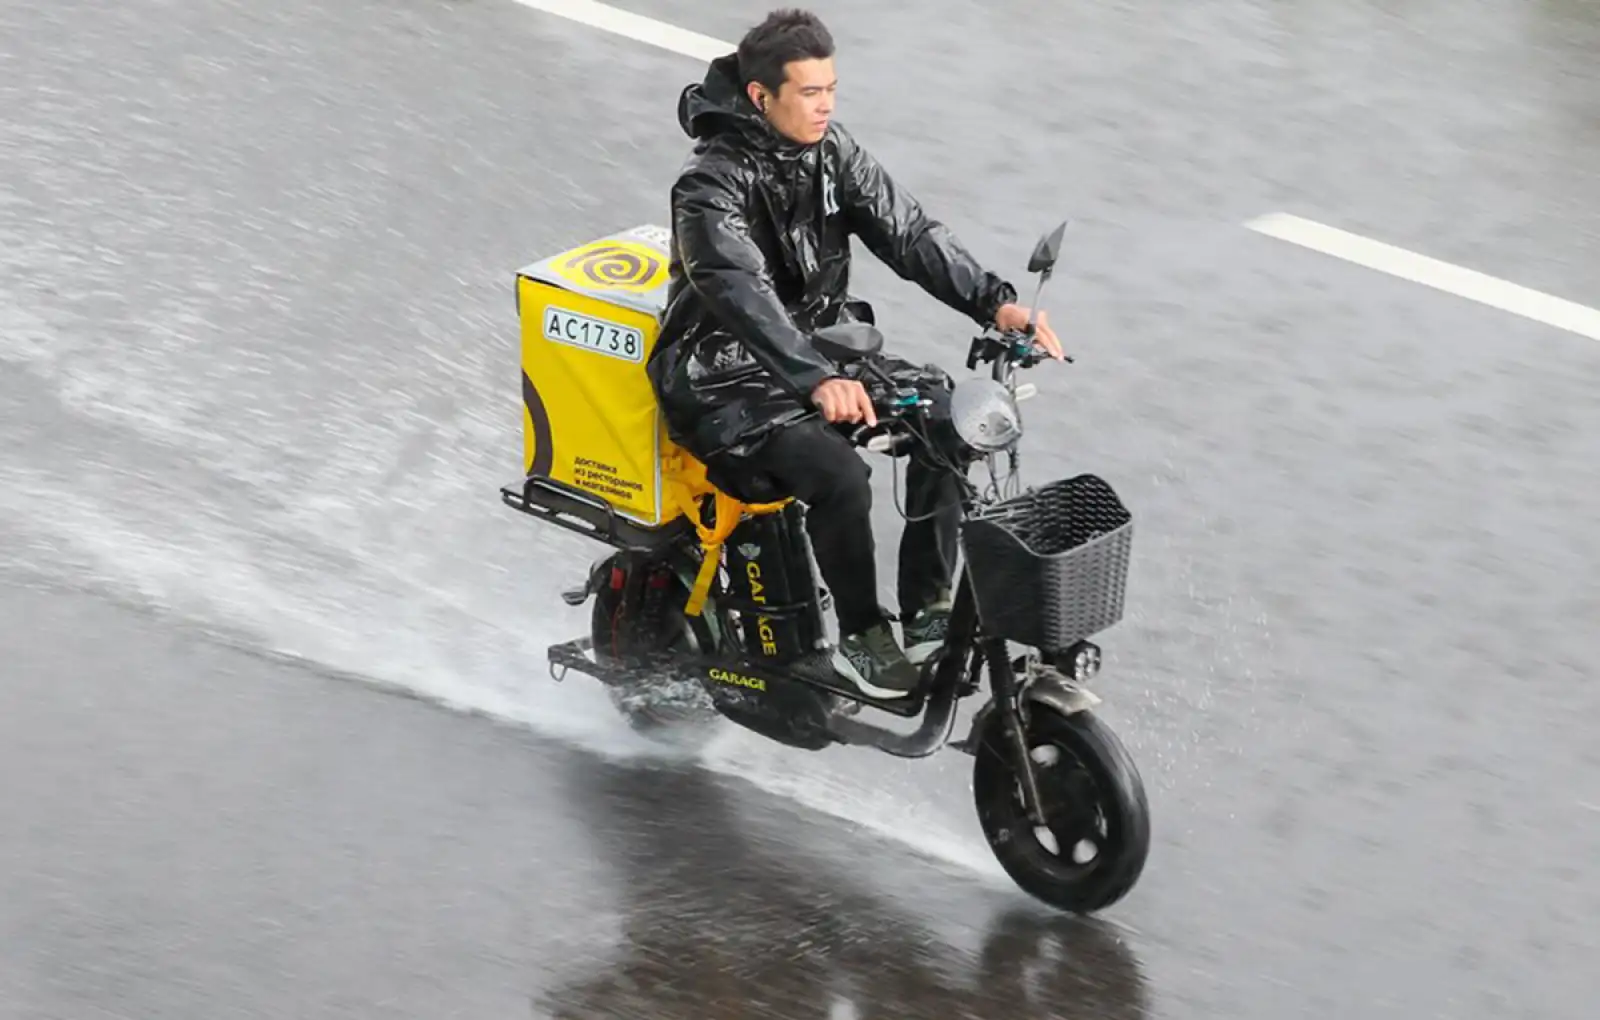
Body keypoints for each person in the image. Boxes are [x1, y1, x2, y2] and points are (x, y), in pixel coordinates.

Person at [647, 8, 1063, 701]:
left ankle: (928, 614)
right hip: (723, 379)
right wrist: (815, 379)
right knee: (839, 476)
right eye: (810, 92)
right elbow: (737, 287)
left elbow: (910, 233)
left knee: (947, 418)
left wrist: (996, 303)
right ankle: (863, 641)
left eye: (832, 89)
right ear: (761, 96)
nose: (826, 105)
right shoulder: (709, 185)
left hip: (823, 351)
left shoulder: (831, 152)